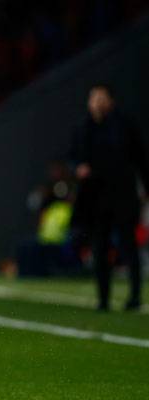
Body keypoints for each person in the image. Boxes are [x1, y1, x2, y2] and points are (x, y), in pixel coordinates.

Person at [70, 84, 148, 311]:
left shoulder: (124, 125)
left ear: (110, 101)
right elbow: (73, 157)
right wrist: (78, 168)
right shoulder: (84, 127)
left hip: (122, 195)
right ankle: (103, 298)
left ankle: (134, 295)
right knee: (99, 247)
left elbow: (140, 158)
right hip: (96, 198)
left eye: (101, 97)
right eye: (93, 97)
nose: (97, 102)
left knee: (128, 246)